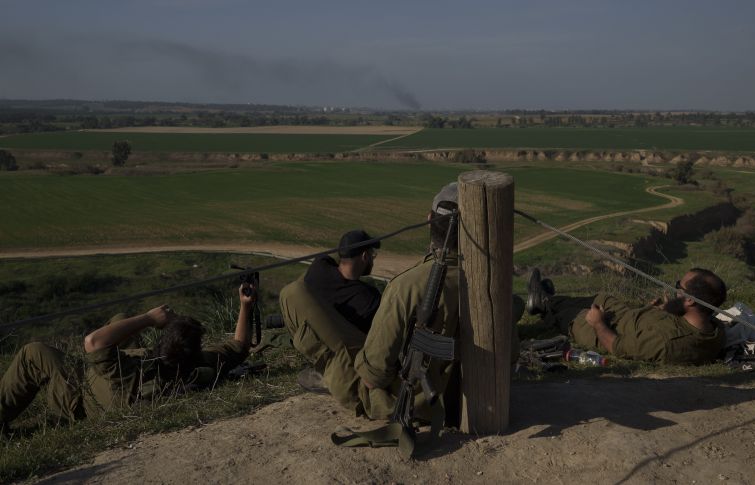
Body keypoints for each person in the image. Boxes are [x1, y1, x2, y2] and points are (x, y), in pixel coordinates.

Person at [280, 182, 461, 420]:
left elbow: (372, 377)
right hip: (457, 391)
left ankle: (329, 373)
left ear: (429, 219)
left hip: (402, 400)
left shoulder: (406, 287)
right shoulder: (492, 282)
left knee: (291, 294)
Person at [0, 284, 256, 434]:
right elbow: (240, 345)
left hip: (79, 397)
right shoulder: (198, 368)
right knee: (121, 318)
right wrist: (245, 305)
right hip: (116, 391)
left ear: (160, 344)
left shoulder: (128, 371)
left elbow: (92, 342)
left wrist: (149, 319)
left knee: (33, 352)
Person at [526, 267, 726, 364]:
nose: (674, 290)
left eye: (678, 287)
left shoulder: (667, 342)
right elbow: (683, 324)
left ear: (690, 300)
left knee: (572, 316)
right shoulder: (713, 327)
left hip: (604, 328)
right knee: (600, 298)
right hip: (624, 314)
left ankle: (542, 306)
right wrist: (665, 311)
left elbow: (617, 347)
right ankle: (547, 299)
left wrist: (597, 324)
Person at [303, 230, 382, 334]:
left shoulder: (318, 267)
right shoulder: (369, 298)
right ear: (365, 256)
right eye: (372, 254)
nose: (373, 259)